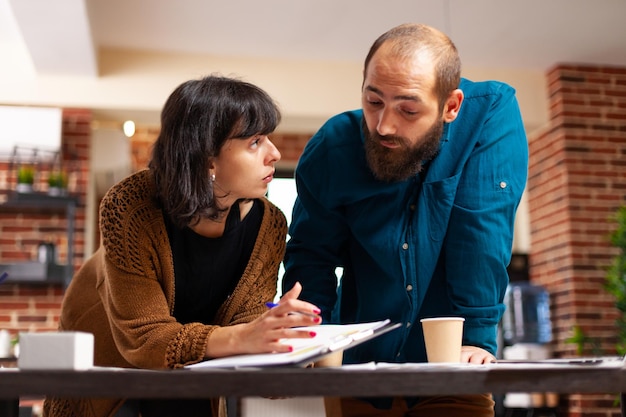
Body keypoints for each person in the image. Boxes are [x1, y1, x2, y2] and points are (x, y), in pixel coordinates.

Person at [282, 23, 528, 416]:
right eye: (373, 101)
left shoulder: (489, 115)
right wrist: (308, 338)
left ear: (451, 106)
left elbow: (479, 231)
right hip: (358, 366)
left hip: (453, 362)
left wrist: (479, 338)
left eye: (408, 109)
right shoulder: (334, 147)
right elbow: (312, 256)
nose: (384, 126)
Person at [43, 75, 321, 417]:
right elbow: (145, 339)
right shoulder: (130, 206)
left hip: (196, 370)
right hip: (113, 366)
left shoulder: (269, 223)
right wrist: (243, 339)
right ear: (207, 159)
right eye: (254, 142)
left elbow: (246, 323)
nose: (274, 153)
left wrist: (280, 339)